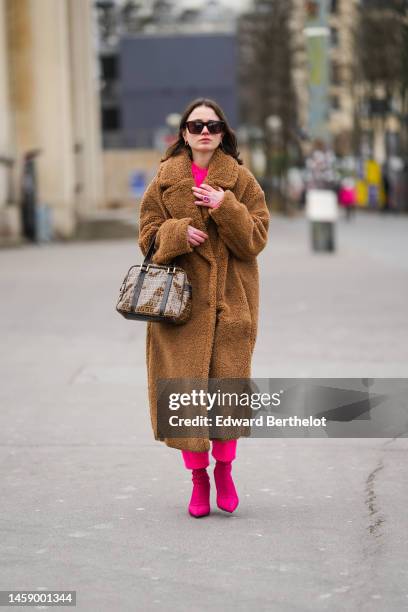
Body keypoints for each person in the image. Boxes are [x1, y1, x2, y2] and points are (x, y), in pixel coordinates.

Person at [138, 98, 270, 518]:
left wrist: (225, 206)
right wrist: (179, 233)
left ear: (223, 131)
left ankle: (225, 470)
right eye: (196, 125)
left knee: (227, 394)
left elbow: (256, 239)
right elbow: (147, 238)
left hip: (231, 304)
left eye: (212, 124)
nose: (204, 131)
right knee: (186, 398)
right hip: (180, 308)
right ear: (184, 134)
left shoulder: (242, 180)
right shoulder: (164, 179)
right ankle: (198, 480)